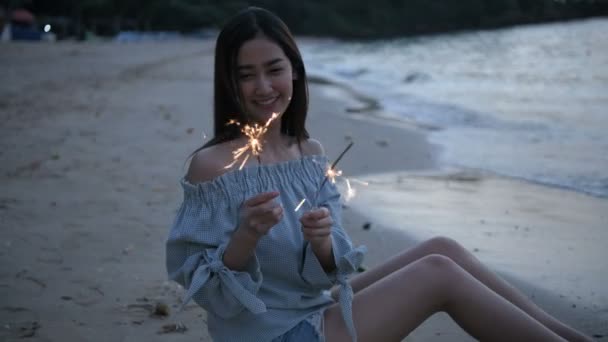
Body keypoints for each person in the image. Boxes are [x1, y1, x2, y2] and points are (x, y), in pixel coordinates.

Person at [165, 7, 593, 342]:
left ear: (294, 69)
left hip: (312, 306)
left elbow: (328, 273)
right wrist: (246, 236)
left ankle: (572, 337)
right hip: (274, 333)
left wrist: (322, 243)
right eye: (246, 75)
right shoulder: (213, 168)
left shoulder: (309, 154)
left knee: (443, 247)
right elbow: (207, 293)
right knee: (438, 273)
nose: (263, 87)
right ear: (229, 83)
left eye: (274, 69)